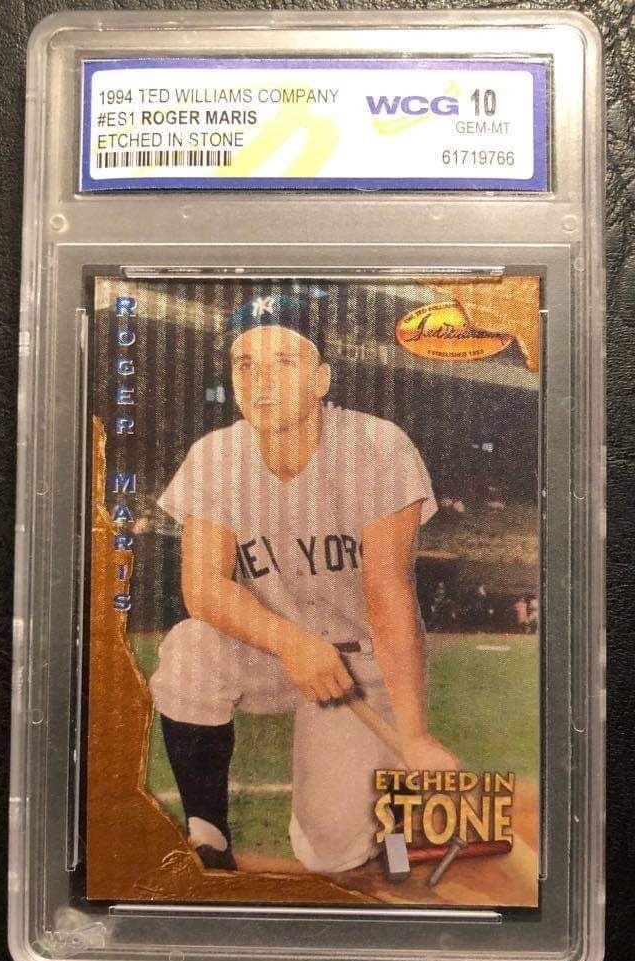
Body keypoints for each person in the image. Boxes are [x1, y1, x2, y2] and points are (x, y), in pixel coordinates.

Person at [149, 289, 458, 873]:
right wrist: (291, 642)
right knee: (189, 649)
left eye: (284, 361)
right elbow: (204, 588)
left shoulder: (376, 447)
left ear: (321, 379)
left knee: (329, 852)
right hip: (270, 650)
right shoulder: (215, 456)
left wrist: (414, 735)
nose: (261, 381)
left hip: (358, 664)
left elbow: (390, 596)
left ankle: (375, 812)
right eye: (245, 364)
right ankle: (208, 835)